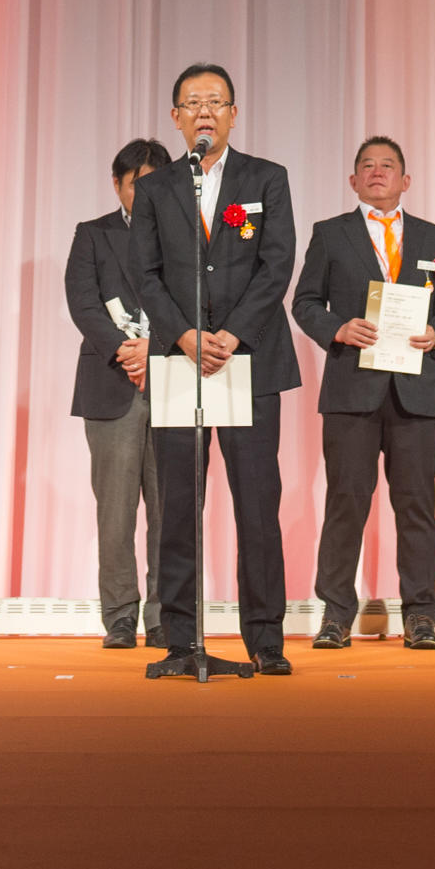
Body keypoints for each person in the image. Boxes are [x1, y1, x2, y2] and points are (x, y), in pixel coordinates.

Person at [133, 62, 301, 677]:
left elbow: (277, 264)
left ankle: (266, 639)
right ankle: (181, 638)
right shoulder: (156, 188)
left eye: (215, 101)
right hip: (181, 362)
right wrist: (183, 334)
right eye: (192, 102)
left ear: (234, 113)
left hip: (248, 358)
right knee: (179, 506)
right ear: (175, 117)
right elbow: (144, 272)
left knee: (257, 503)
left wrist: (232, 334)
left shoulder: (267, 178)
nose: (204, 111)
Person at [291, 135, 435, 650]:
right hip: (352, 390)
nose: (377, 171)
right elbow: (304, 302)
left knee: (417, 506)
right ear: (353, 180)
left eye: (388, 165)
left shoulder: (433, 236)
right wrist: (337, 329)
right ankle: (335, 615)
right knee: (346, 503)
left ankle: (421, 616)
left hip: (415, 390)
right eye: (367, 165)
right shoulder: (330, 234)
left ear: (405, 180)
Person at [63, 137, 170, 650]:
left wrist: (157, 348)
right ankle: (121, 615)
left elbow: (201, 306)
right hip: (113, 381)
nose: (144, 194)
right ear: (117, 184)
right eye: (135, 185)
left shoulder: (189, 236)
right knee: (116, 511)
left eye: (155, 185)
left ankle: (167, 616)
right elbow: (83, 303)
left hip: (173, 381)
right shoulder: (93, 234)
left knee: (172, 512)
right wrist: (126, 351)